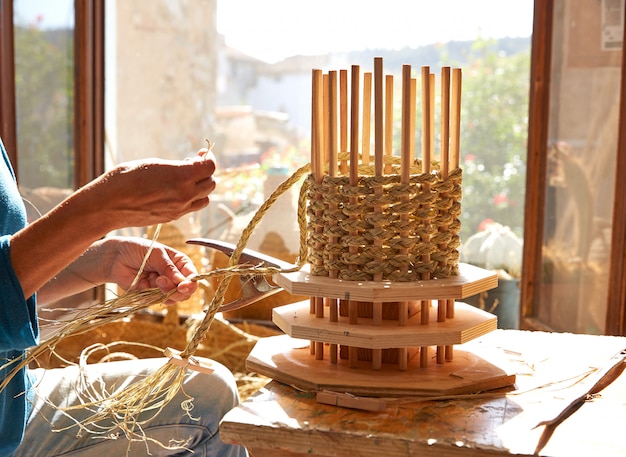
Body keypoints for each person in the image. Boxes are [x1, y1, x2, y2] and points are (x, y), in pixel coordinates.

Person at [0, 137, 247, 456]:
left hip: (14, 398)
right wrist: (99, 209)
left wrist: (104, 259)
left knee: (211, 396)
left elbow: (12, 282)